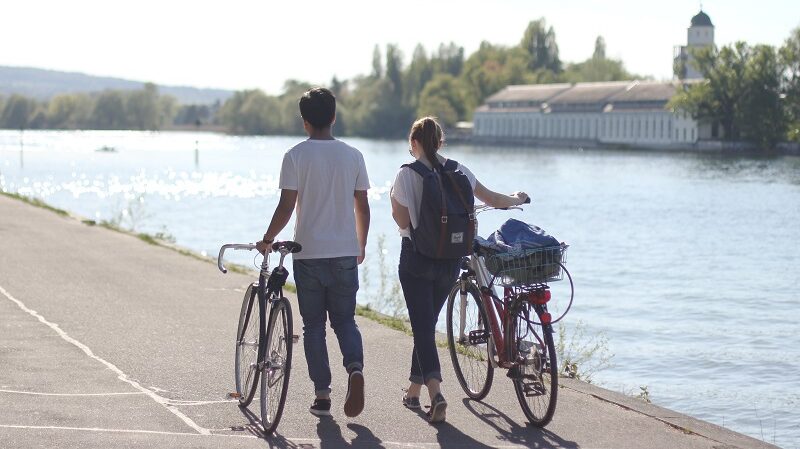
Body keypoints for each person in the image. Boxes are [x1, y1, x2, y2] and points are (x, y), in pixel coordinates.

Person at [389, 117, 528, 423]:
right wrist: (517, 198)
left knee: (423, 327)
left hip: (416, 258)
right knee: (426, 325)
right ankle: (413, 392)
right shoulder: (459, 170)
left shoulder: (406, 174)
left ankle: (436, 393)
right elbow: (492, 199)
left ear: (414, 144)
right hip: (451, 260)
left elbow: (401, 222)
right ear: (440, 142)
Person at [257, 87, 370, 418]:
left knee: (313, 327)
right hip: (345, 252)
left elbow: (287, 206)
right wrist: (360, 244)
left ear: (305, 122)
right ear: (334, 117)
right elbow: (362, 205)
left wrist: (268, 237)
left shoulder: (295, 156)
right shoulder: (353, 156)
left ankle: (322, 395)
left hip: (308, 254)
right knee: (345, 320)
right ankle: (355, 369)